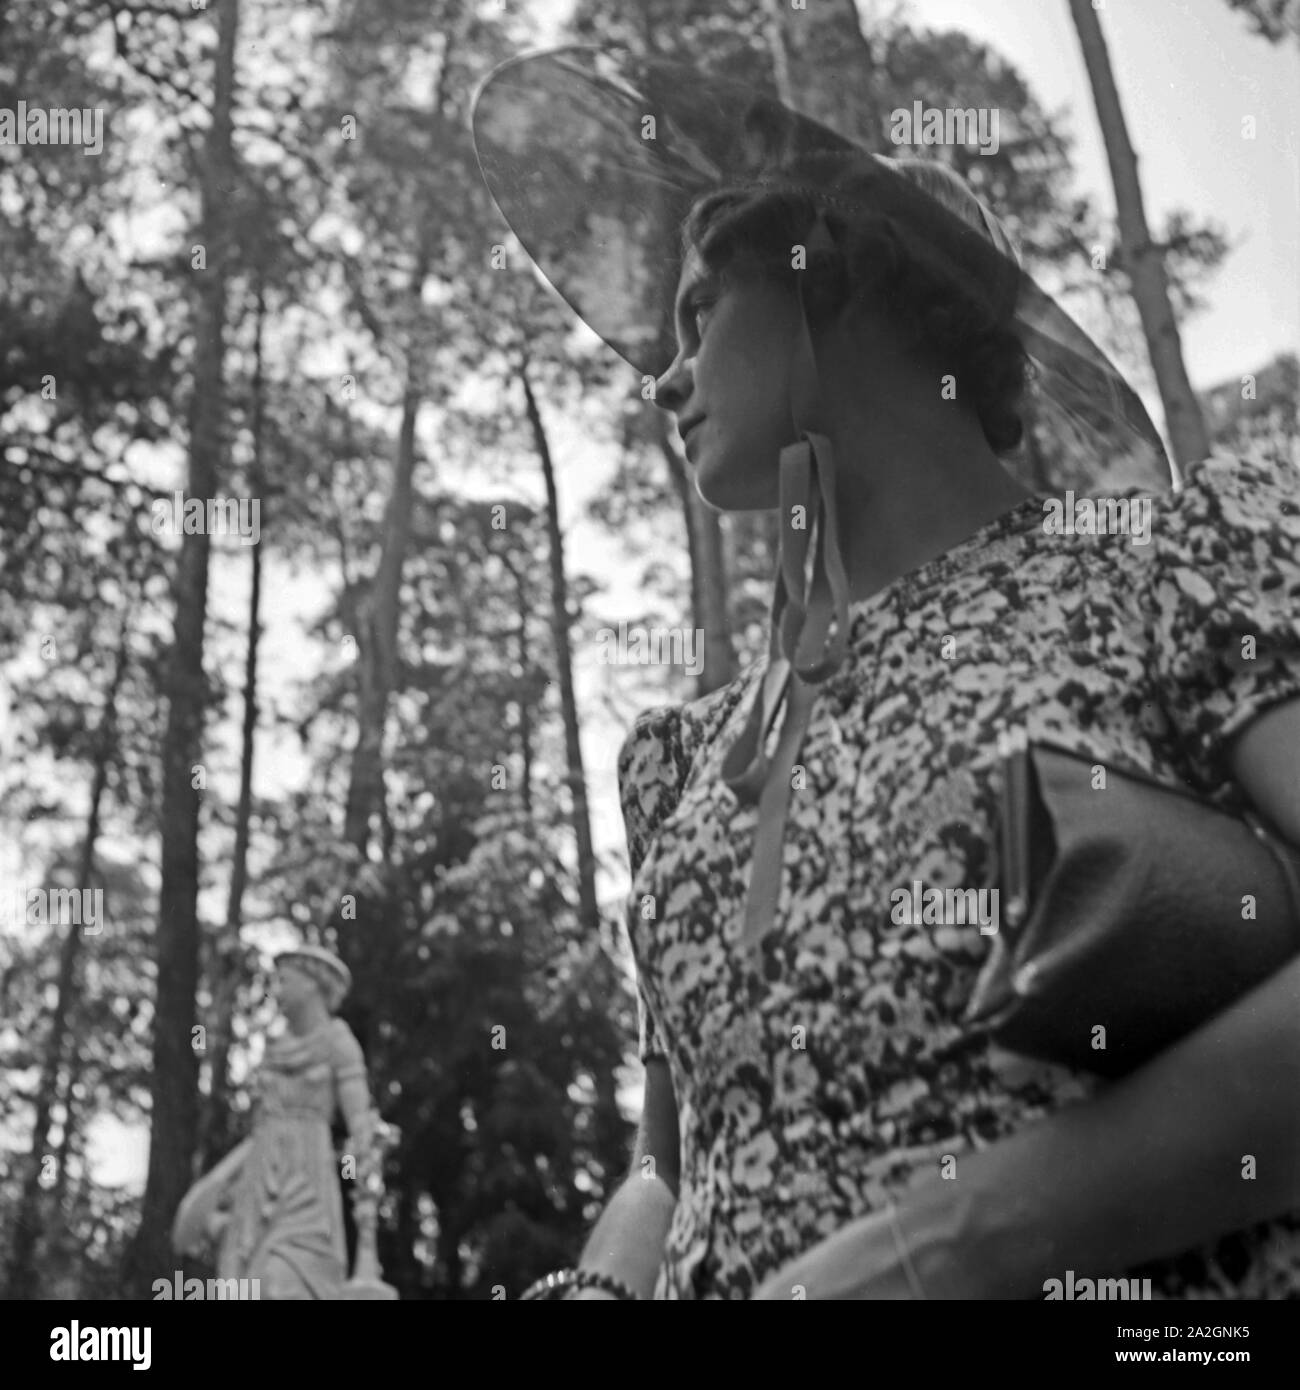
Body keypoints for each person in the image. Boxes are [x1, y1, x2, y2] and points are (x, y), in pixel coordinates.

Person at [476, 49, 1300, 1300]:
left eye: (700, 311)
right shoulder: (682, 761)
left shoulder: (1169, 568)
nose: (663, 376)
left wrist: (950, 1240)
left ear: (837, 270)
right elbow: (672, 1161)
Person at [172, 947, 375, 1299]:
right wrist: (219, 1181)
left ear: (313, 984)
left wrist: (368, 1163)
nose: (276, 991)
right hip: (260, 1170)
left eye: (285, 981)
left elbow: (360, 1121)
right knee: (243, 1282)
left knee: (287, 1275)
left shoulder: (338, 1041)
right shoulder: (274, 1046)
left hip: (307, 1176)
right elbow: (260, 1128)